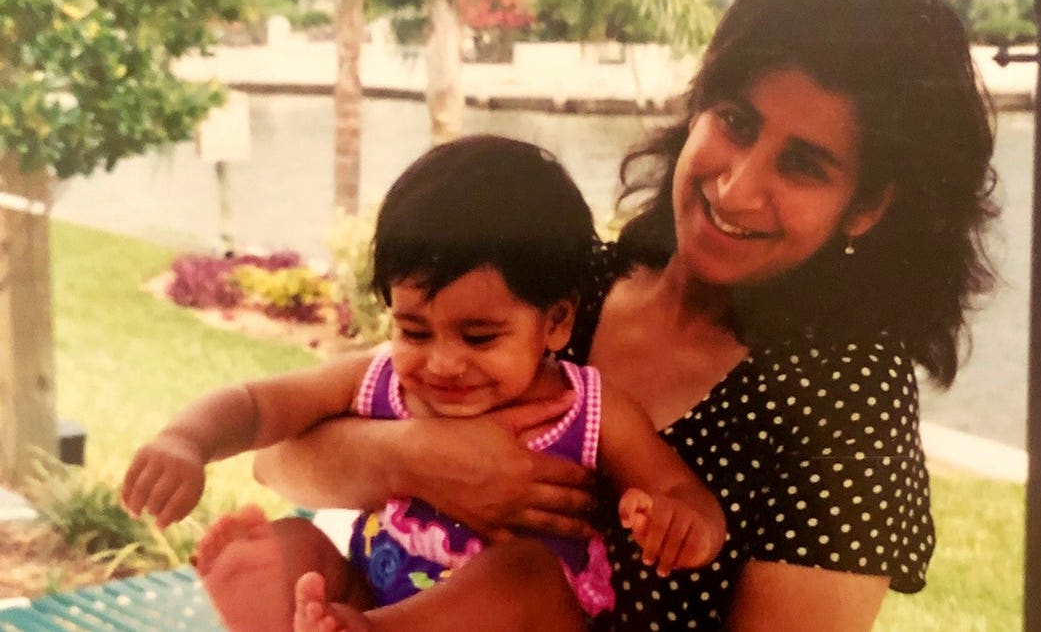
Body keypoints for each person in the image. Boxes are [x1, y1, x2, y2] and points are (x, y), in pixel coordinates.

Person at [254, 0, 999, 629]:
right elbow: (279, 460)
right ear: (698, 108)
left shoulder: (845, 400)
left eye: (803, 166)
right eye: (736, 122)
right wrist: (416, 458)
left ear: (866, 206)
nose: (738, 188)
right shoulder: (572, 281)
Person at [120, 135, 726, 632]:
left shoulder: (586, 407)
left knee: (523, 573)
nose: (441, 364)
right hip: (373, 598)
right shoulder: (382, 378)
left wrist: (682, 524)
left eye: (479, 337)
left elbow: (677, 486)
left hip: (527, 618)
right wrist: (186, 440)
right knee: (293, 548)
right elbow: (260, 404)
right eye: (414, 329)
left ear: (557, 322)